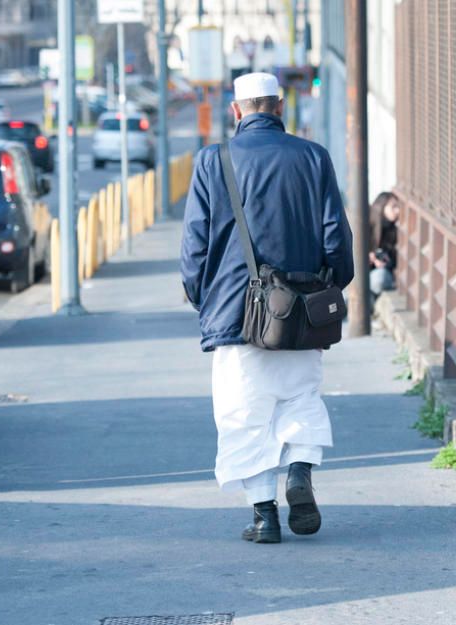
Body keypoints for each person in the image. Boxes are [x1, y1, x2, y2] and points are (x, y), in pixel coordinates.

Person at [180, 72, 354, 545]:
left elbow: (195, 243)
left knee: (244, 414)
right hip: (300, 308)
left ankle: (265, 518)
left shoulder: (213, 160)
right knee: (301, 396)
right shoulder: (313, 157)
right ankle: (299, 468)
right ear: (279, 107)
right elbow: (335, 235)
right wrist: (330, 288)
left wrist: (202, 297)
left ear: (236, 111)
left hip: (236, 312)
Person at [369, 192, 400, 296]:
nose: (398, 211)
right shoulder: (367, 225)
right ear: (381, 206)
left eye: (398, 207)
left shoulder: (396, 230)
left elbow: (396, 262)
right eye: (393, 207)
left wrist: (386, 262)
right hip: (364, 273)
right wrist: (370, 258)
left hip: (381, 276)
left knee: (379, 277)